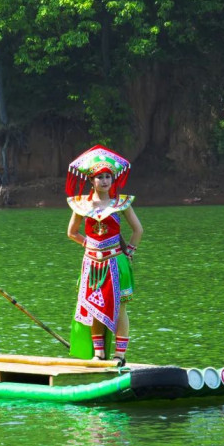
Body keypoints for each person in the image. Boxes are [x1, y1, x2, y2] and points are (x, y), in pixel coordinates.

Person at [65, 145, 143, 365]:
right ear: (92, 180)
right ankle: (98, 352)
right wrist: (88, 244)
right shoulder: (81, 204)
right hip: (91, 263)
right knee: (93, 307)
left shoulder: (121, 204)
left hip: (115, 262)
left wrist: (130, 253)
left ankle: (120, 353)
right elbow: (72, 233)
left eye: (108, 177)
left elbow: (138, 230)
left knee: (120, 307)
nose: (105, 181)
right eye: (100, 177)